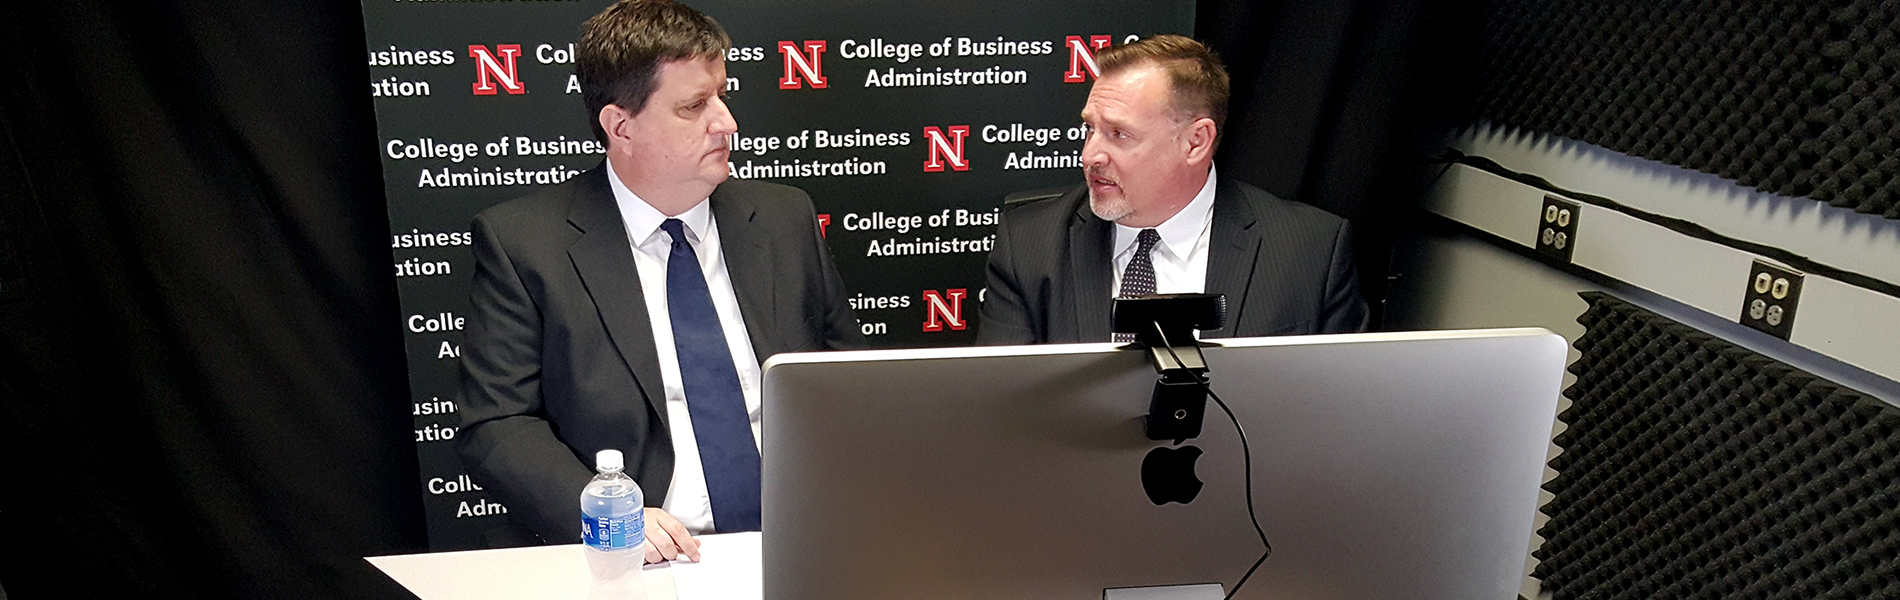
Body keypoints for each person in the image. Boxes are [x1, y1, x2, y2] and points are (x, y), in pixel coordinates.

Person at [455, 0, 862, 562]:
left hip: (802, 539)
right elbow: (497, 422)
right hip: (637, 554)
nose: (726, 122)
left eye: (721, 95)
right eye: (694, 106)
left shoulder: (783, 219)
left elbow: (845, 380)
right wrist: (608, 514)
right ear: (620, 127)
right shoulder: (525, 244)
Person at [976, 35, 1368, 344]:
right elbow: (1002, 405)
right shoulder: (1029, 246)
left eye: (1119, 134)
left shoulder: (1310, 251)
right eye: (1089, 129)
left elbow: (1340, 403)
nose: (1090, 155)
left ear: (1196, 142)